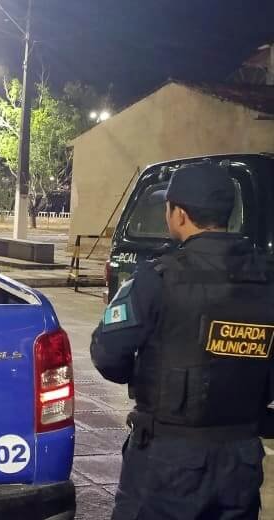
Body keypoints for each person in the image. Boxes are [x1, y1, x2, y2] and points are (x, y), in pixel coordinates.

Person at [90, 163, 274, 520]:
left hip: (167, 461)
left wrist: (145, 375)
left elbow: (108, 354)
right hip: (241, 461)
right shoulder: (265, 281)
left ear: (179, 214)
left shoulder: (157, 277)